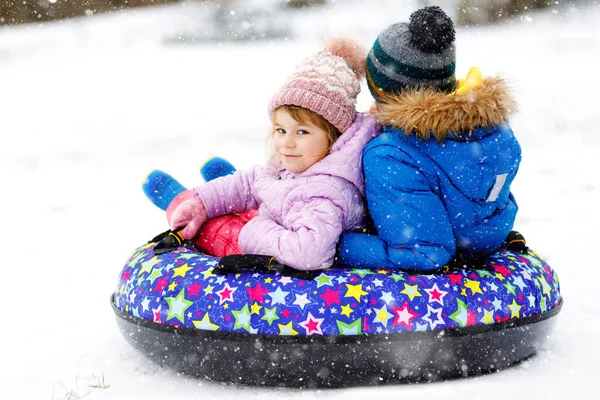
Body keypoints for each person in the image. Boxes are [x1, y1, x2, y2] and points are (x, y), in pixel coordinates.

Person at [167, 38, 380, 271]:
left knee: (214, 229)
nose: (286, 142)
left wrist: (255, 229)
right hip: (277, 225)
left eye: (302, 131)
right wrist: (204, 203)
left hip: (274, 248)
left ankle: (171, 197)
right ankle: (194, 196)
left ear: (333, 136)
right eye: (281, 130)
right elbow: (252, 181)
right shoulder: (304, 159)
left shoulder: (324, 195)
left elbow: (308, 254)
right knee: (228, 197)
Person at [337, 6, 521, 272]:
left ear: (385, 94)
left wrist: (339, 244)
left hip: (435, 249)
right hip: (490, 236)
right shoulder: (493, 128)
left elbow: (424, 254)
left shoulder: (390, 154)